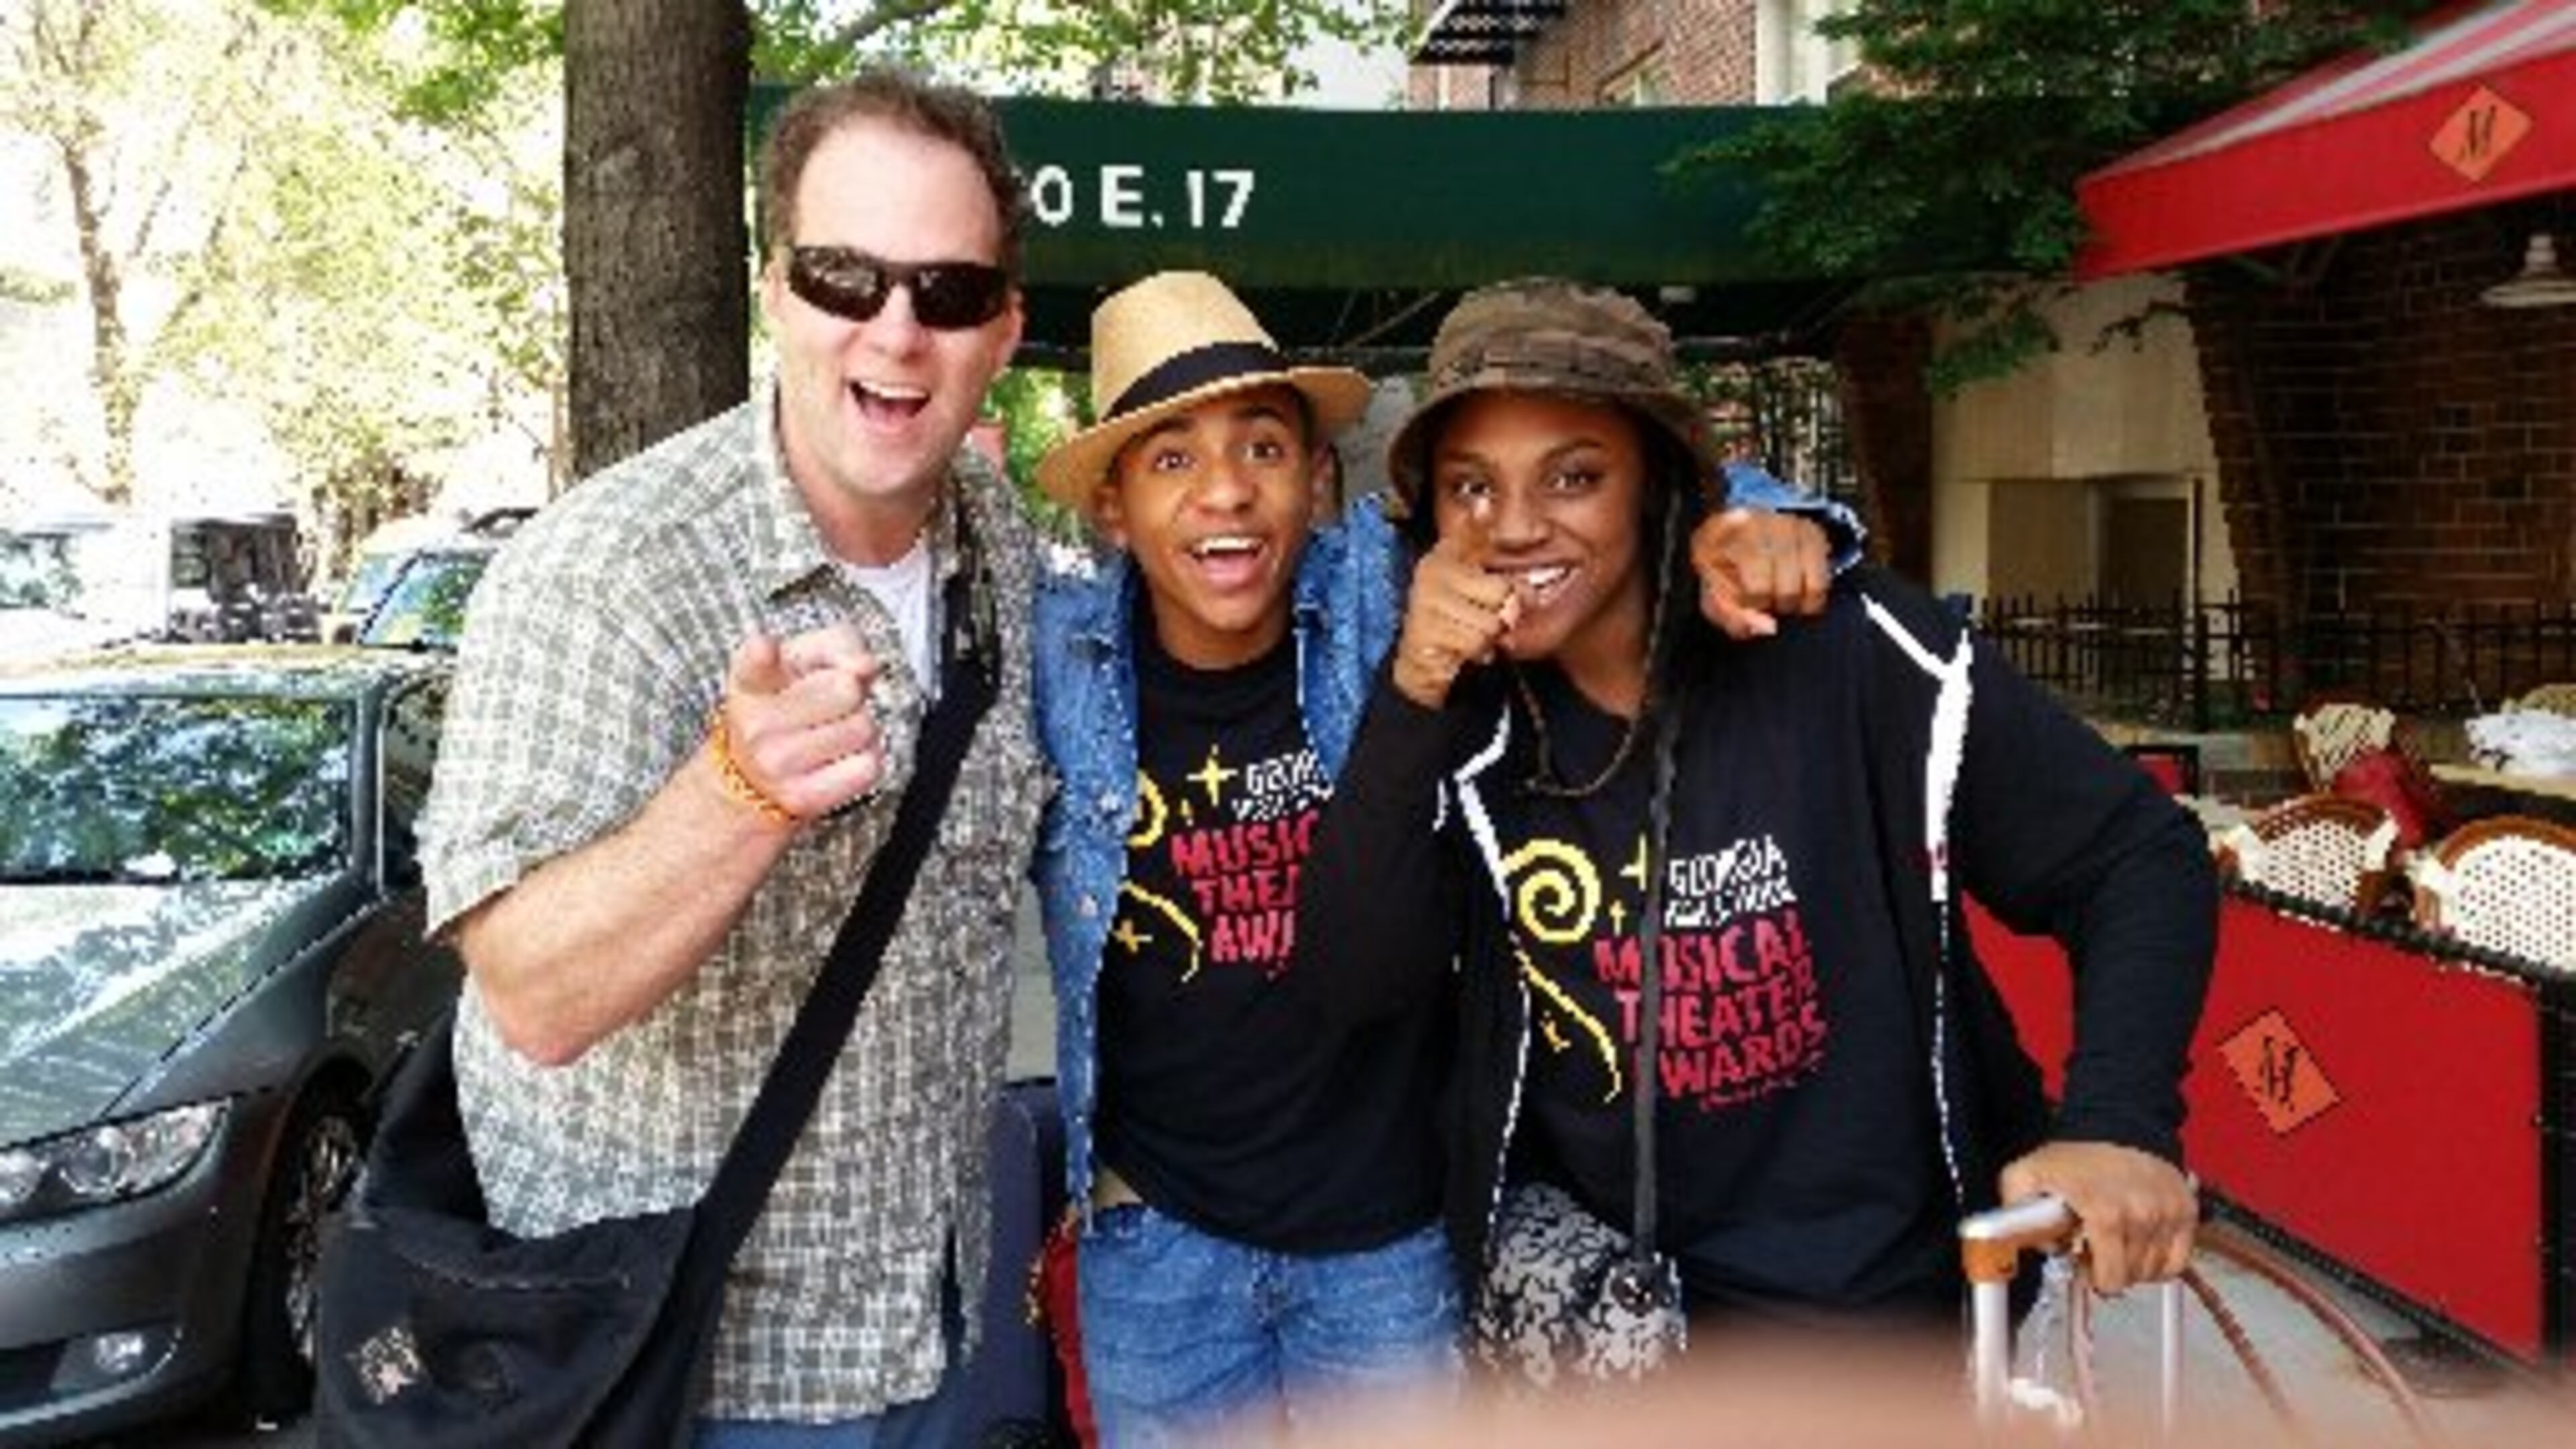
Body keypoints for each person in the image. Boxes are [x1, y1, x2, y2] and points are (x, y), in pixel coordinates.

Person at [1299, 278, 2214, 1354]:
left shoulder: (1853, 653)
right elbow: (1353, 986)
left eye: (1575, 476)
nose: (1514, 526)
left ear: (1654, 486)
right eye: (1470, 488)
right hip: (1624, 1345)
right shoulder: (1460, 724)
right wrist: (1413, 698)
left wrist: (2115, 1123)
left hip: (1896, 1321)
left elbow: (2133, 856)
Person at [1028, 272, 1858, 1444]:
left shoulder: (1381, 587)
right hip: (1159, 1240)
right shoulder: (1055, 663)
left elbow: (1599, 502)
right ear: (1112, 508)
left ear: (1319, 480)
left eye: (1262, 447)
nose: (1226, 492)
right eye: (1169, 461)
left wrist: (1776, 524)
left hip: (1388, 1238)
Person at [421, 71, 1045, 1444]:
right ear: (776, 288)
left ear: (1004, 330)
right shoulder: (603, 574)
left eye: (946, 293)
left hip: (939, 1336)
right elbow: (533, 993)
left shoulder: (995, 545)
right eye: (845, 277)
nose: (895, 330)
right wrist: (733, 797)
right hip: (683, 1373)